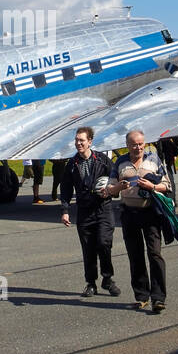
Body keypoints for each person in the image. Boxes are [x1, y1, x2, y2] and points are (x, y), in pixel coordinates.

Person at [59, 127, 120, 298]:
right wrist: (65, 210)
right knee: (88, 248)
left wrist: (111, 190)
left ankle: (107, 278)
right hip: (84, 211)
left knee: (104, 243)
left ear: (90, 141)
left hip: (103, 209)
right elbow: (65, 189)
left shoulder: (102, 160)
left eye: (82, 140)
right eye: (76, 140)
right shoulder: (72, 165)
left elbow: (116, 179)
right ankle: (91, 283)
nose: (78, 143)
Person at [112, 130, 170, 312]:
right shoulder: (120, 162)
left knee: (155, 254)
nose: (138, 147)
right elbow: (110, 189)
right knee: (135, 255)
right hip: (129, 213)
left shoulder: (154, 160)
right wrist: (119, 187)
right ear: (127, 145)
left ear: (144, 143)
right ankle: (141, 296)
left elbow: (167, 185)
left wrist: (152, 186)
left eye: (141, 144)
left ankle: (159, 298)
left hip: (150, 212)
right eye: (134, 144)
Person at [155, 137, 178, 207]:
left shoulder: (163, 140)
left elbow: (176, 151)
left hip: (164, 166)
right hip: (164, 165)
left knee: (168, 183)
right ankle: (171, 201)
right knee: (169, 183)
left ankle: (170, 201)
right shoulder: (164, 140)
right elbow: (177, 151)